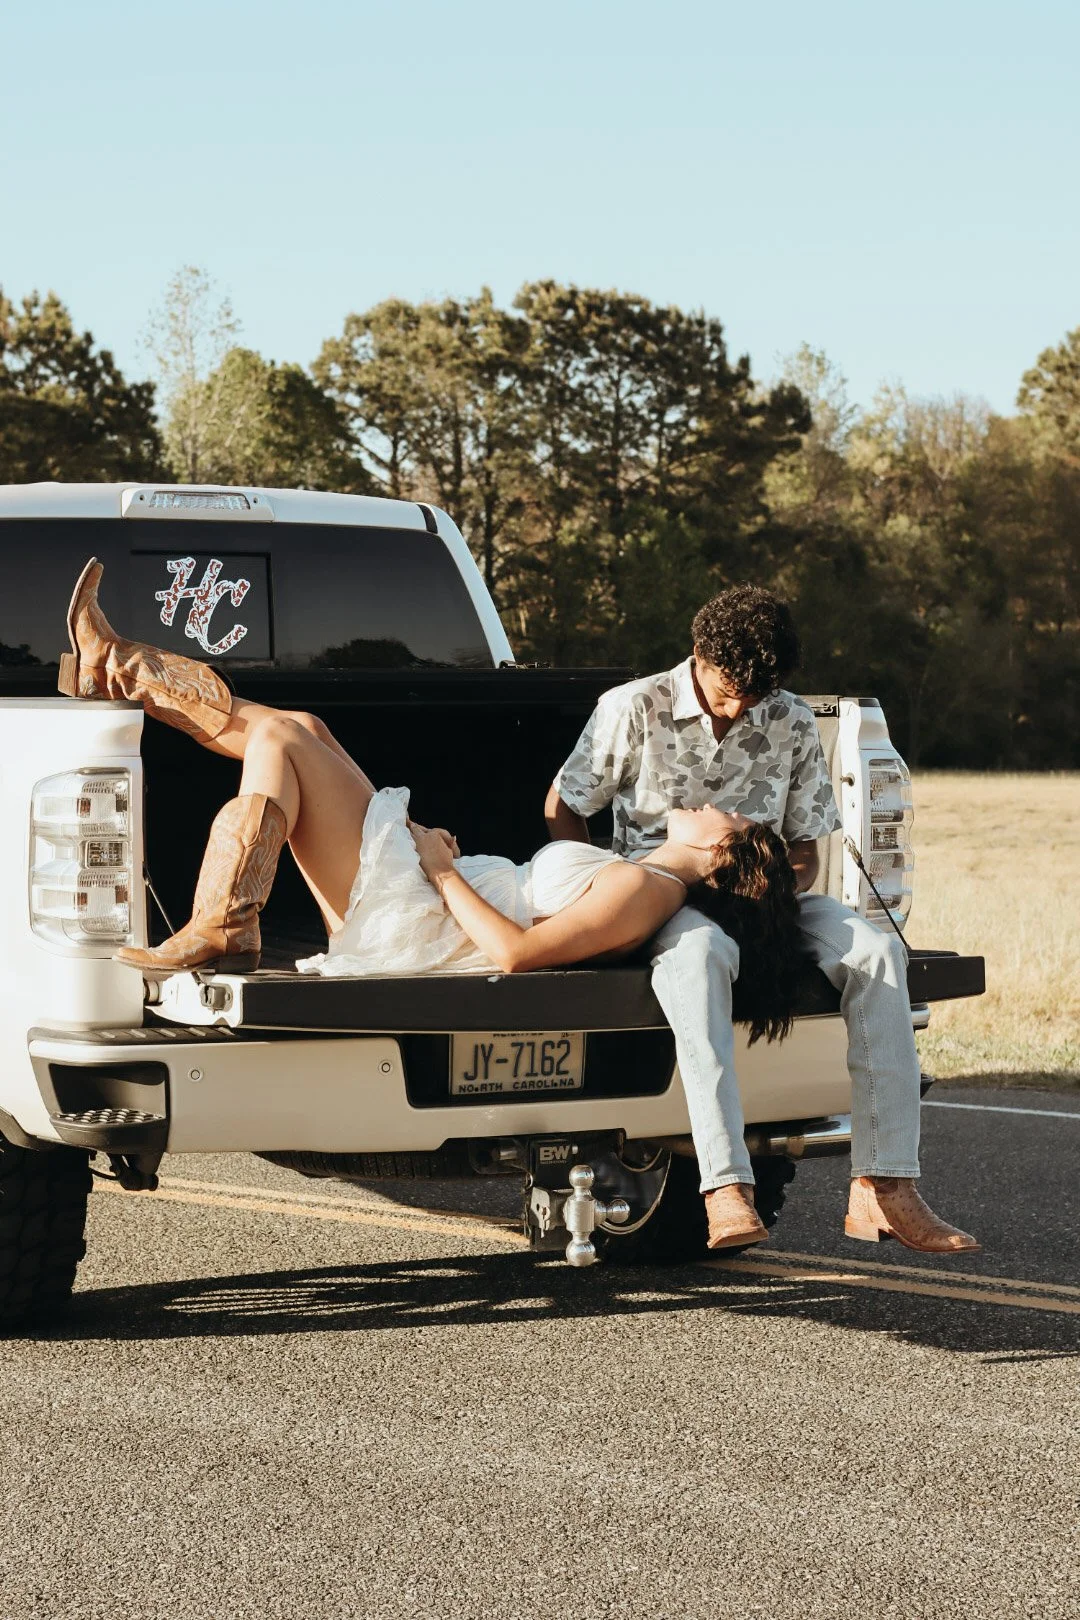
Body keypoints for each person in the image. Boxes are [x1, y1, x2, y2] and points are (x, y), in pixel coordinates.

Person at [59, 562, 801, 1244]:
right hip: (421, 897)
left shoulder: (647, 889)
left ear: (718, 854)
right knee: (304, 732)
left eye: (727, 817)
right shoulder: (643, 877)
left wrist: (444, 870)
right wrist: (444, 859)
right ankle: (124, 692)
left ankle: (207, 885)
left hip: (413, 918)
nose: (711, 804)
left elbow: (515, 955)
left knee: (285, 736)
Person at [545, 584, 980, 1257]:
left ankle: (884, 1186)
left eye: (757, 694)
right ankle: (725, 1187)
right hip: (664, 898)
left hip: (769, 897)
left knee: (875, 952)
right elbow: (563, 805)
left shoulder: (791, 719)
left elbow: (806, 848)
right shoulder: (632, 708)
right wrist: (601, 889)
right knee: (699, 960)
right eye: (728, 691)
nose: (741, 706)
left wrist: (778, 888)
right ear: (697, 655)